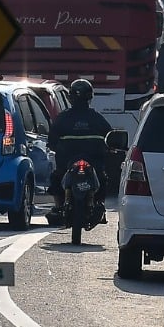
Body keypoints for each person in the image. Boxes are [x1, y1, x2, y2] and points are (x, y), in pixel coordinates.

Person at [48, 78, 110, 224]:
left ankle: (59, 206)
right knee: (102, 178)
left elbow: (51, 139)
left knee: (57, 178)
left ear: (70, 97)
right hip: (78, 163)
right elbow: (110, 135)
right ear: (90, 97)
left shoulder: (63, 118)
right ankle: (98, 205)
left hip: (76, 162)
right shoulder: (96, 118)